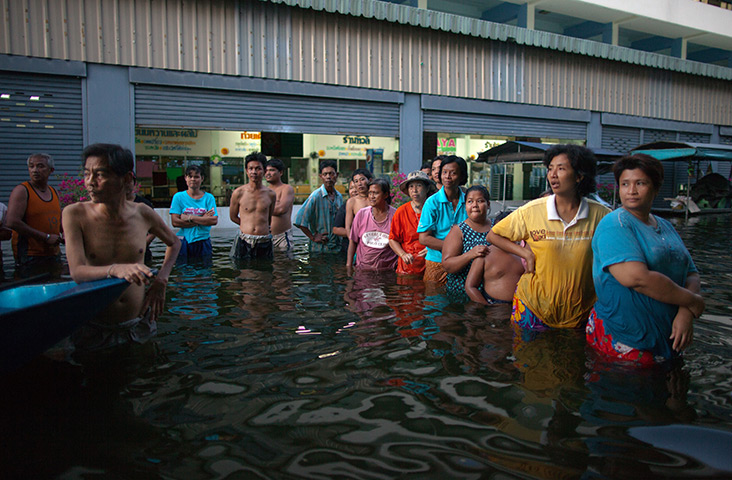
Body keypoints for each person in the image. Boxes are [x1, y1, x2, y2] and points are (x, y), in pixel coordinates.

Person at [587, 154, 704, 365]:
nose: (631, 191)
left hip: (669, 336)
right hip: (626, 338)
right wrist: (692, 301)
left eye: (640, 183)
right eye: (625, 184)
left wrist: (686, 312)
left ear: (655, 188)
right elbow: (636, 278)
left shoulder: (664, 225)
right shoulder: (615, 224)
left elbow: (691, 272)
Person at [62, 143, 180, 351]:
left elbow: (174, 242)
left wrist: (162, 279)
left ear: (125, 179)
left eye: (100, 175)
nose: (90, 182)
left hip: (138, 322)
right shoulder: (75, 214)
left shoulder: (142, 213)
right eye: (87, 174)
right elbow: (78, 272)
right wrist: (116, 269)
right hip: (93, 325)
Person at [487, 144, 610, 330]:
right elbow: (493, 235)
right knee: (527, 355)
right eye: (550, 169)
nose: (552, 175)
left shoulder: (601, 215)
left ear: (579, 176)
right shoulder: (533, 210)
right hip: (533, 308)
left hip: (581, 311)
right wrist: (524, 253)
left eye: (561, 169)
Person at [7, 153, 63, 277]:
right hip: (30, 256)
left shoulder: (53, 192)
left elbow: (58, 220)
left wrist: (65, 234)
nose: (35, 170)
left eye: (40, 166)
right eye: (31, 166)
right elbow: (11, 222)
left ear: (51, 170)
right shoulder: (22, 190)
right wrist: (45, 237)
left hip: (53, 254)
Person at [417, 155, 468, 284]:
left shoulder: (468, 201)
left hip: (464, 261)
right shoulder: (432, 202)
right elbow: (424, 238)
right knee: (434, 300)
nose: (447, 177)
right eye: (444, 172)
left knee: (460, 300)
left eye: (453, 173)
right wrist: (453, 248)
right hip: (437, 261)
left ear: (462, 176)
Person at [442, 185, 492, 298]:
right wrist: (470, 254)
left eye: (480, 201)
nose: (475, 205)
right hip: (462, 295)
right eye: (470, 201)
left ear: (488, 204)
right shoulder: (458, 231)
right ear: (465, 206)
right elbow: (447, 265)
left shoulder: (496, 227)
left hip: (490, 294)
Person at [230, 152, 276, 260]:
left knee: (265, 273)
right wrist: (247, 225)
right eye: (250, 168)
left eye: (258, 168)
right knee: (244, 273)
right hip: (244, 240)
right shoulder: (238, 193)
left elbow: (268, 218)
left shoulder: (270, 194)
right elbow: (233, 216)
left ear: (264, 171)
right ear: (246, 171)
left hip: (264, 240)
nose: (254, 172)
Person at [389, 171, 436, 276]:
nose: (414, 190)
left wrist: (431, 248)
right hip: (407, 267)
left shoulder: (434, 209)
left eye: (419, 186)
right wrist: (403, 254)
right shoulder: (401, 211)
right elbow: (392, 239)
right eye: (411, 187)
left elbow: (443, 235)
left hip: (430, 264)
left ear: (427, 188)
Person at [347, 178, 398, 271]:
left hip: (387, 271)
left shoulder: (396, 215)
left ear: (386, 195)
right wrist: (348, 267)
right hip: (363, 270)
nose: (372, 196)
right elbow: (353, 242)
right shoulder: (362, 214)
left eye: (376, 193)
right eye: (370, 193)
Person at [294, 160, 344, 253]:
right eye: (325, 174)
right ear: (321, 176)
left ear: (336, 175)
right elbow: (299, 220)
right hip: (319, 249)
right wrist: (313, 237)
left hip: (336, 248)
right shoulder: (315, 196)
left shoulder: (339, 197)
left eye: (331, 174)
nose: (328, 177)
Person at [170, 165, 218, 260]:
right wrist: (203, 219)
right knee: (185, 272)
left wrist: (190, 218)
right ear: (185, 178)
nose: (193, 179)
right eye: (190, 176)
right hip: (184, 241)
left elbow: (213, 220)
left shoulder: (209, 198)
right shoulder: (178, 197)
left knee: (205, 272)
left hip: (203, 241)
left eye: (196, 177)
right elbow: (175, 222)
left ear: (202, 178)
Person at [265, 158, 295, 252]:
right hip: (266, 237)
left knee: (284, 264)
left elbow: (281, 209)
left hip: (282, 236)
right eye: (266, 170)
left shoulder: (286, 189)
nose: (268, 173)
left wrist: (260, 210)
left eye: (272, 170)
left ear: (280, 172)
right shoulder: (265, 190)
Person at [127, 176, 156, 265]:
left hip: (142, 254)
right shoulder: (112, 205)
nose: (126, 185)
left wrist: (142, 244)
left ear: (134, 185)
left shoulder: (143, 205)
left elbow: (155, 230)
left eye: (129, 181)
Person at [345, 168, 374, 237]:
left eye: (362, 179)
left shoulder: (375, 198)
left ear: (369, 180)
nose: (359, 184)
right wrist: (353, 244)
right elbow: (348, 227)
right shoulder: (352, 202)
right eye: (356, 181)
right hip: (360, 240)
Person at [333, 180, 359, 255]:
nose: (354, 191)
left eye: (356, 188)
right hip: (347, 247)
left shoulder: (369, 205)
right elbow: (336, 229)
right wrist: (354, 235)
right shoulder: (345, 207)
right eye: (351, 188)